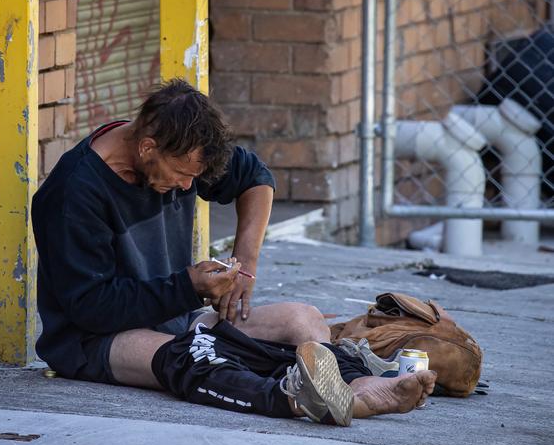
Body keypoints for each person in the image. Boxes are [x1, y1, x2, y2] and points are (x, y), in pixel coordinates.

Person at [31, 79, 436, 426]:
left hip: (174, 319)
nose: (190, 188)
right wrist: (188, 286)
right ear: (148, 147)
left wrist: (245, 267)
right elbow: (91, 308)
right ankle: (297, 398)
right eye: (183, 175)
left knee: (302, 318)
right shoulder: (74, 192)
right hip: (96, 342)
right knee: (194, 356)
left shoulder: (178, 153)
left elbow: (255, 178)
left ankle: (355, 385)